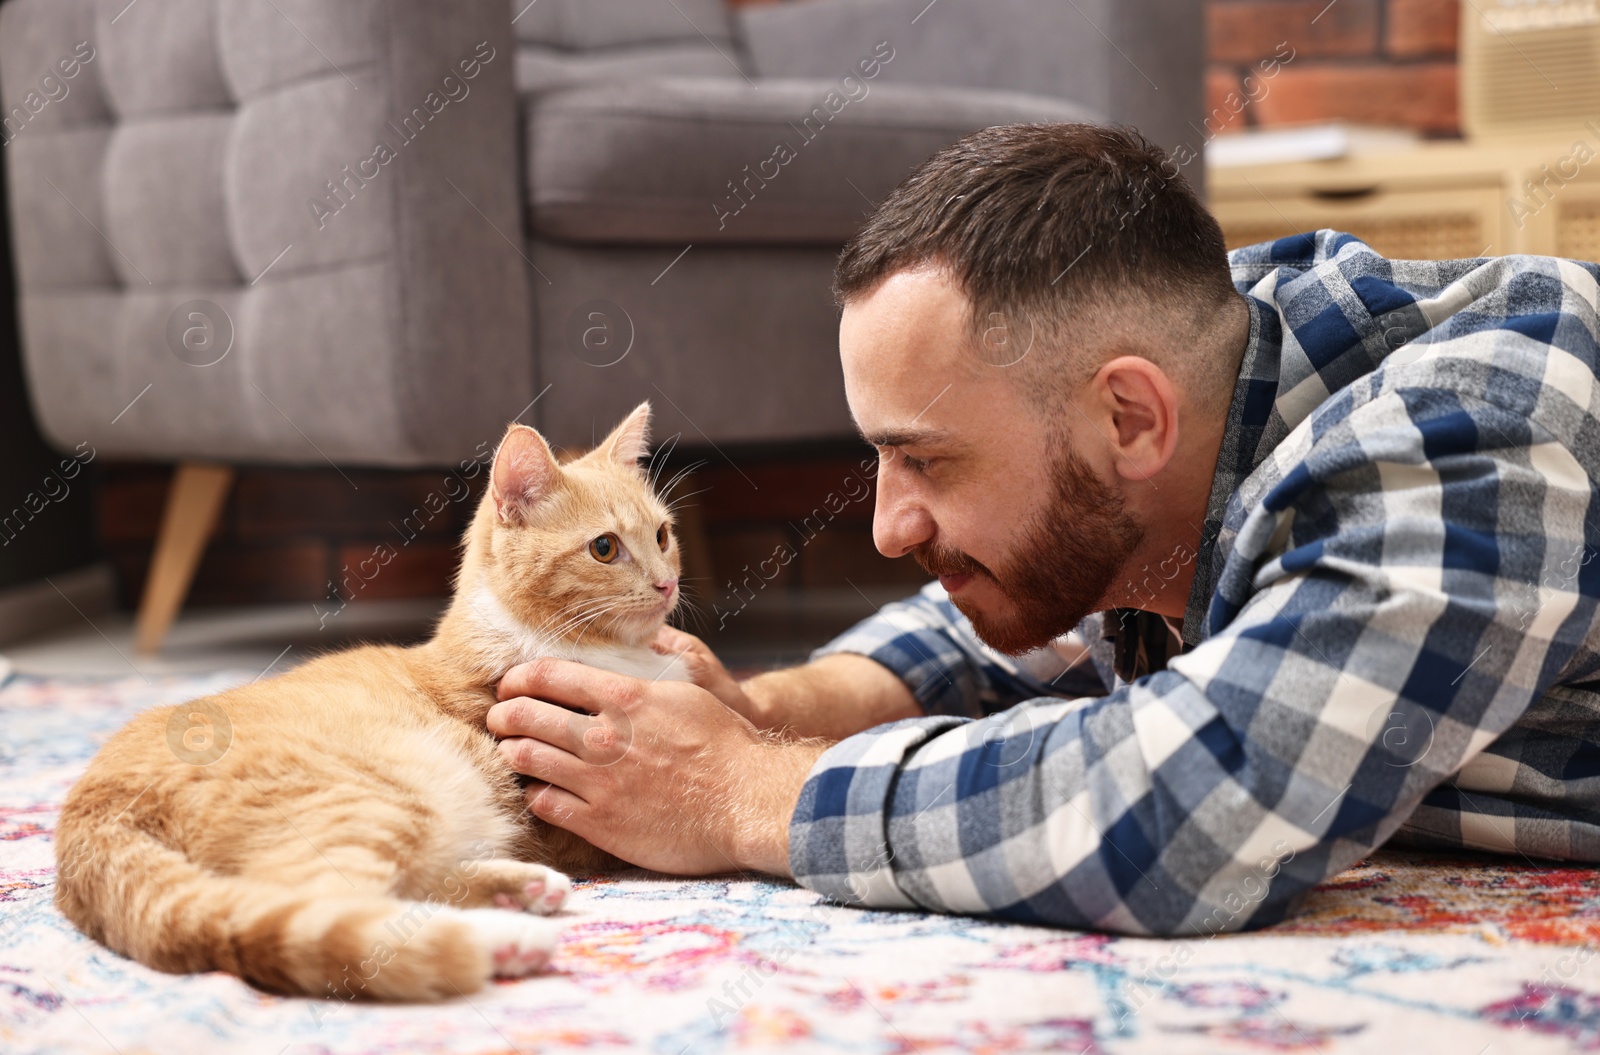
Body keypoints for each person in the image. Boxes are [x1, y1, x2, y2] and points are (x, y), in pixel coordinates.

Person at [486, 122, 1600, 935]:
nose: (885, 525)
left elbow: (1193, 811)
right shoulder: (1209, 355)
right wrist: (762, 708)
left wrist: (739, 789)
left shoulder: (1484, 430)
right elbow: (1011, 616)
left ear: (1130, 417)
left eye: (924, 457)